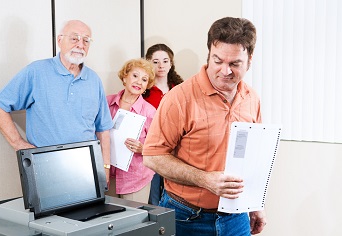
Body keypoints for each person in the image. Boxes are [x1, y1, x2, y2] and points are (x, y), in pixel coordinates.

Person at [143, 17, 267, 235]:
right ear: (209, 53)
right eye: (217, 61)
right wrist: (204, 179)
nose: (225, 71)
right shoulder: (179, 97)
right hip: (186, 217)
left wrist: (256, 205)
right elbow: (153, 156)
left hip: (236, 217)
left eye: (235, 64)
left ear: (250, 60)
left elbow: (252, 158)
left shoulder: (252, 99)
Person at [0, 20, 112, 181]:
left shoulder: (94, 79)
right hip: (45, 167)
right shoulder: (36, 72)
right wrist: (19, 144)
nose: (80, 44)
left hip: (86, 167)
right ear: (59, 40)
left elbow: (103, 128)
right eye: (74, 38)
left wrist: (105, 166)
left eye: (86, 40)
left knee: (88, 207)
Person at [106, 58, 156, 204]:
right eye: (135, 76)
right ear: (124, 77)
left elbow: (159, 146)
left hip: (135, 178)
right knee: (109, 221)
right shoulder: (106, 103)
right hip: (108, 174)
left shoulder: (149, 112)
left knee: (134, 223)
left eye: (144, 79)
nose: (139, 82)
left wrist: (143, 148)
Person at [144, 43, 183, 205]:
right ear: (148, 63)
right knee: (153, 199)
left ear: (171, 63)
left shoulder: (181, 89)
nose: (161, 66)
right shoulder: (143, 89)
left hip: (177, 151)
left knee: (173, 196)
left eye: (165, 61)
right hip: (151, 151)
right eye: (155, 61)